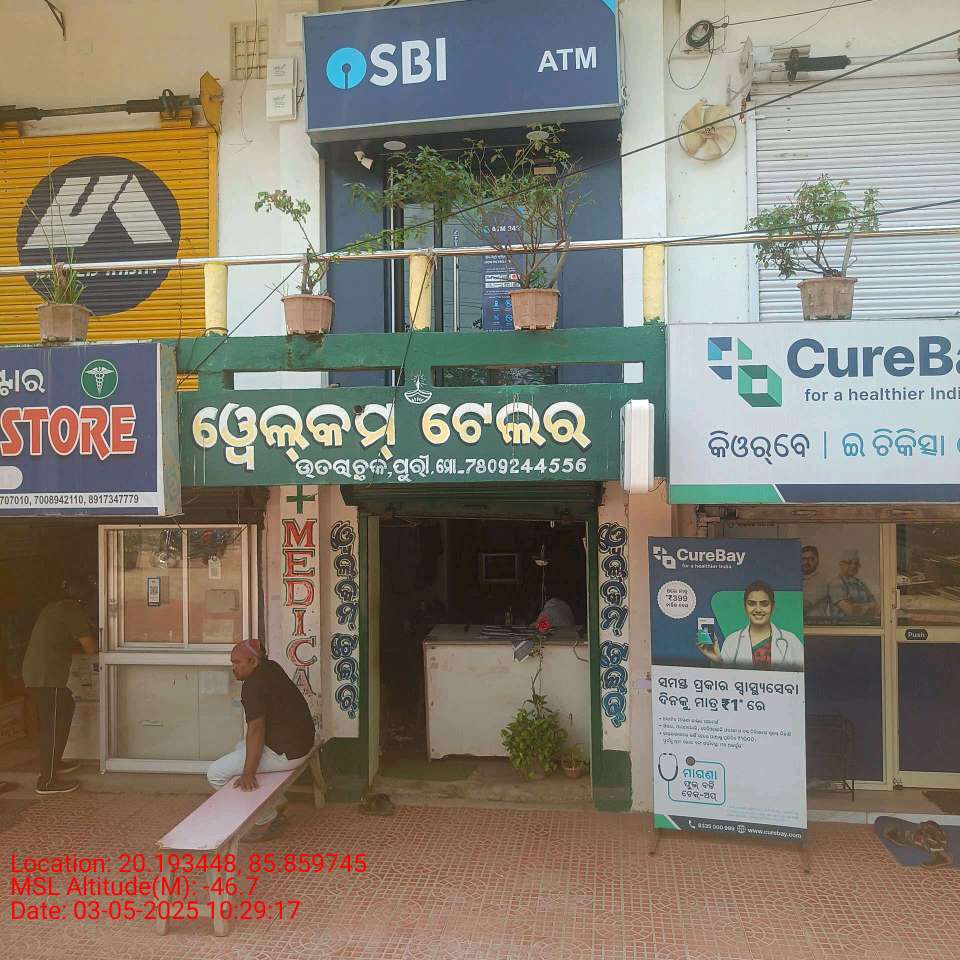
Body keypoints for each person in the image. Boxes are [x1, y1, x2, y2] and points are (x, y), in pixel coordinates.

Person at [207, 639, 316, 841]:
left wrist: (248, 773)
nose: (233, 668)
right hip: (302, 743)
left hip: (287, 754)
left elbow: (256, 730)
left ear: (253, 661)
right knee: (240, 748)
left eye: (237, 662)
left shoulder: (253, 686)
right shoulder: (271, 667)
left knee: (216, 774)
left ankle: (266, 818)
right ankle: (276, 802)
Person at [22, 573, 97, 795]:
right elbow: (90, 648)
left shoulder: (53, 608)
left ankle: (55, 763)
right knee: (53, 725)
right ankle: (47, 781)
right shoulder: (73, 612)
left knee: (63, 708)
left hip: (37, 673)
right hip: (47, 677)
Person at [698, 580, 804, 671]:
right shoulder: (731, 642)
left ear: (773, 606)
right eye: (752, 604)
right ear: (745, 607)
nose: (758, 609)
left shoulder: (791, 641)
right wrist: (717, 661)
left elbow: (801, 679)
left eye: (764, 604)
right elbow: (725, 681)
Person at [824, 549, 879, 620]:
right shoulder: (835, 584)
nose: (853, 566)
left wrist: (857, 607)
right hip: (843, 625)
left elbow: (877, 608)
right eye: (849, 563)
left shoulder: (861, 584)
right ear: (841, 564)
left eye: (856, 563)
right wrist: (869, 607)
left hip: (864, 624)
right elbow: (850, 610)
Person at [800, 544, 829, 619]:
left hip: (814, 624)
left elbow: (803, 607)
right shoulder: (798, 579)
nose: (807, 562)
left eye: (811, 559)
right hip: (801, 623)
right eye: (804, 559)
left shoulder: (820, 581)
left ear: (817, 561)